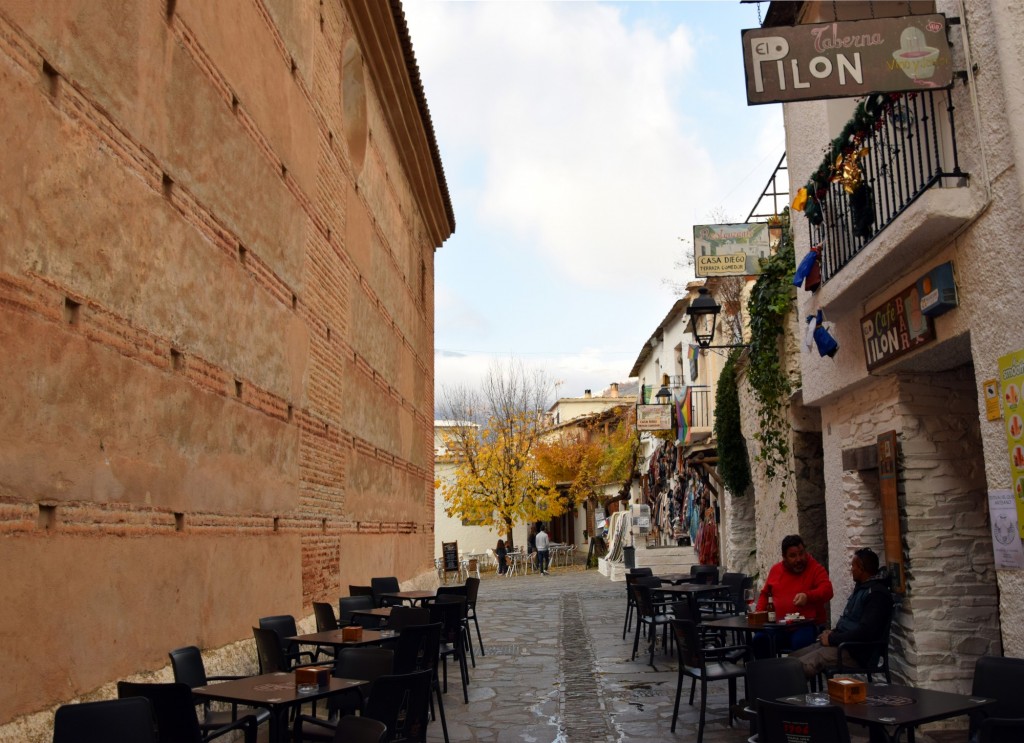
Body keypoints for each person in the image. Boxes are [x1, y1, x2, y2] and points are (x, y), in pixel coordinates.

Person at [790, 547, 894, 679]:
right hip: (843, 644)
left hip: (855, 652)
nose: (851, 570)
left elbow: (865, 632)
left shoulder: (877, 595)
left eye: (853, 566)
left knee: (802, 665)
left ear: (861, 568)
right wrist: (833, 633)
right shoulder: (863, 588)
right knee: (792, 659)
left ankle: (791, 692)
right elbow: (850, 622)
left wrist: (832, 639)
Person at [753, 534, 834, 656]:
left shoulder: (815, 568)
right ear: (784, 557)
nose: (799, 559)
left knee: (800, 644)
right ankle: (769, 669)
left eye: (801, 553)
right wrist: (759, 614)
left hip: (806, 626)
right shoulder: (776, 570)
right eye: (793, 556)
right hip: (779, 626)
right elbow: (765, 594)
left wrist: (808, 596)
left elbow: (828, 590)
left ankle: (797, 669)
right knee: (759, 640)